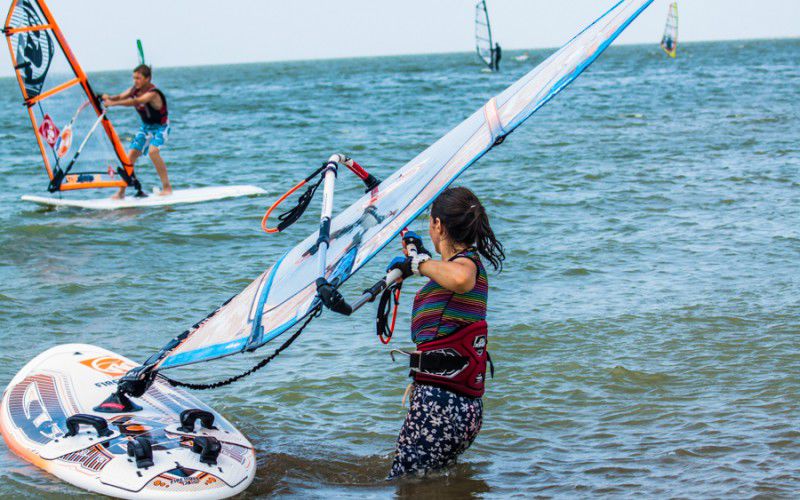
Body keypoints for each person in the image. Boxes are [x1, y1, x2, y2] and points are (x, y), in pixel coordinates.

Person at [385, 186, 505, 479]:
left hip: (441, 405)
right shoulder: (455, 266)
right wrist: (420, 258)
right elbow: (450, 277)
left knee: (406, 487)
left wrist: (419, 263)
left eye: (430, 222)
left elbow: (461, 278)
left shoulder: (467, 265)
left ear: (438, 225)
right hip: (459, 405)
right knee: (430, 485)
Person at [102, 64, 172, 198]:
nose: (135, 81)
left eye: (138, 78)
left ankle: (167, 187)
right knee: (129, 157)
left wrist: (112, 104)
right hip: (146, 128)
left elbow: (136, 101)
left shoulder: (153, 94)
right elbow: (120, 96)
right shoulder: (134, 89)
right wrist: (108, 97)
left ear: (147, 79)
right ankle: (121, 192)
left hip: (161, 127)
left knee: (153, 152)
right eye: (134, 78)